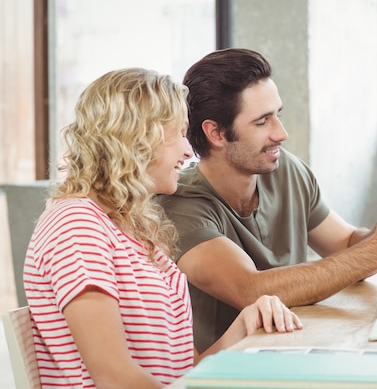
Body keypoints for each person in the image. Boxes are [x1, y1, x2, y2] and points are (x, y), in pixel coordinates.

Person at [159, 48, 377, 352]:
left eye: (278, 115)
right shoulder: (182, 203)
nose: (282, 133)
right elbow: (250, 289)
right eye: (263, 122)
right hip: (228, 372)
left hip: (294, 347)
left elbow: (346, 246)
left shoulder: (284, 169)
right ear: (216, 133)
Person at [22, 68, 302, 389]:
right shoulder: (76, 227)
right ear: (137, 138)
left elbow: (181, 373)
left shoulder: (130, 228)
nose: (188, 151)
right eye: (180, 133)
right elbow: (115, 378)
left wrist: (242, 327)